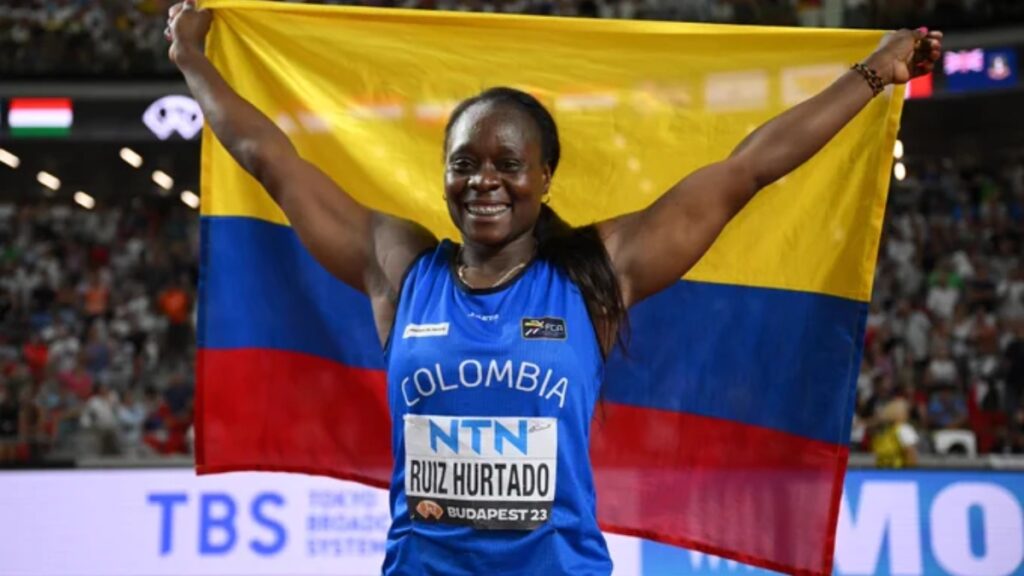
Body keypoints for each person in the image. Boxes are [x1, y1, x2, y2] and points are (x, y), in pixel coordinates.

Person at [165, 2, 941, 573]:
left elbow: (745, 171)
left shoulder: (595, 274)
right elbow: (273, 161)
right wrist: (193, 62)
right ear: (443, 176)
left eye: (508, 163)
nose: (485, 182)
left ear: (545, 176)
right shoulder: (400, 267)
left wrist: (874, 73)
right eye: (465, 163)